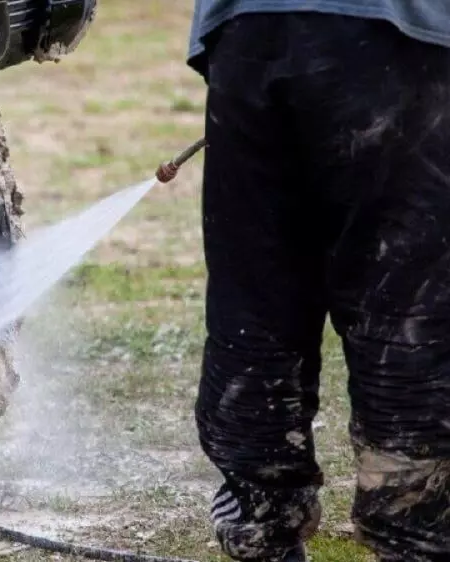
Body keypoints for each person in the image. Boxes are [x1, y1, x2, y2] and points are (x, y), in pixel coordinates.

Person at [187, 2, 450, 561]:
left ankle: (261, 516)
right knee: (404, 308)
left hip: (245, 29)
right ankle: (415, 529)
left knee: (256, 297)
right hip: (403, 32)